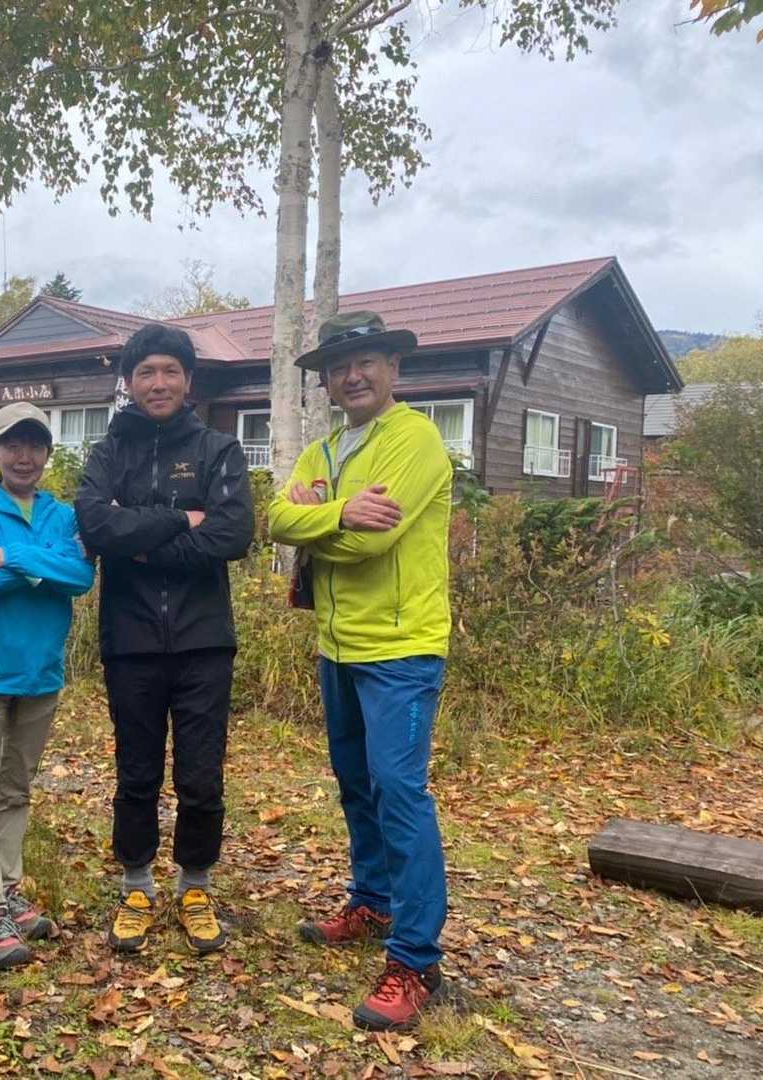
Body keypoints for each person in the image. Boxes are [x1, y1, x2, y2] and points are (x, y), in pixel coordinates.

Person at [266, 311, 454, 1033]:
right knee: (356, 784)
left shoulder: (415, 439)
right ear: (325, 381)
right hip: (337, 646)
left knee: (400, 793)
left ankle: (416, 960)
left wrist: (320, 520)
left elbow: (372, 545)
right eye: (339, 367)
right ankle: (373, 903)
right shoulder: (322, 448)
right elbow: (276, 521)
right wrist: (340, 514)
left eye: (366, 361)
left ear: (393, 368)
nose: (353, 376)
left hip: (401, 649)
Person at [74, 322, 255, 956]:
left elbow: (232, 535)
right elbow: (96, 525)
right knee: (137, 771)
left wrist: (142, 543)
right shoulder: (108, 453)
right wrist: (180, 518)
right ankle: (136, 884)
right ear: (129, 382)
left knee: (201, 774)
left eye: (170, 371)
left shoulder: (218, 450)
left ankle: (196, 884)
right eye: (146, 372)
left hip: (205, 640)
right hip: (130, 639)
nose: (158, 383)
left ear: (188, 380)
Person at [0, 402, 96, 969]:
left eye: (35, 445)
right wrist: (47, 566)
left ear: (48, 453)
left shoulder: (64, 514)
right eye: (12, 445)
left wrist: (15, 554)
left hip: (41, 672)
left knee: (15, 788)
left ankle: (9, 889)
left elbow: (80, 577)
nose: (24, 456)